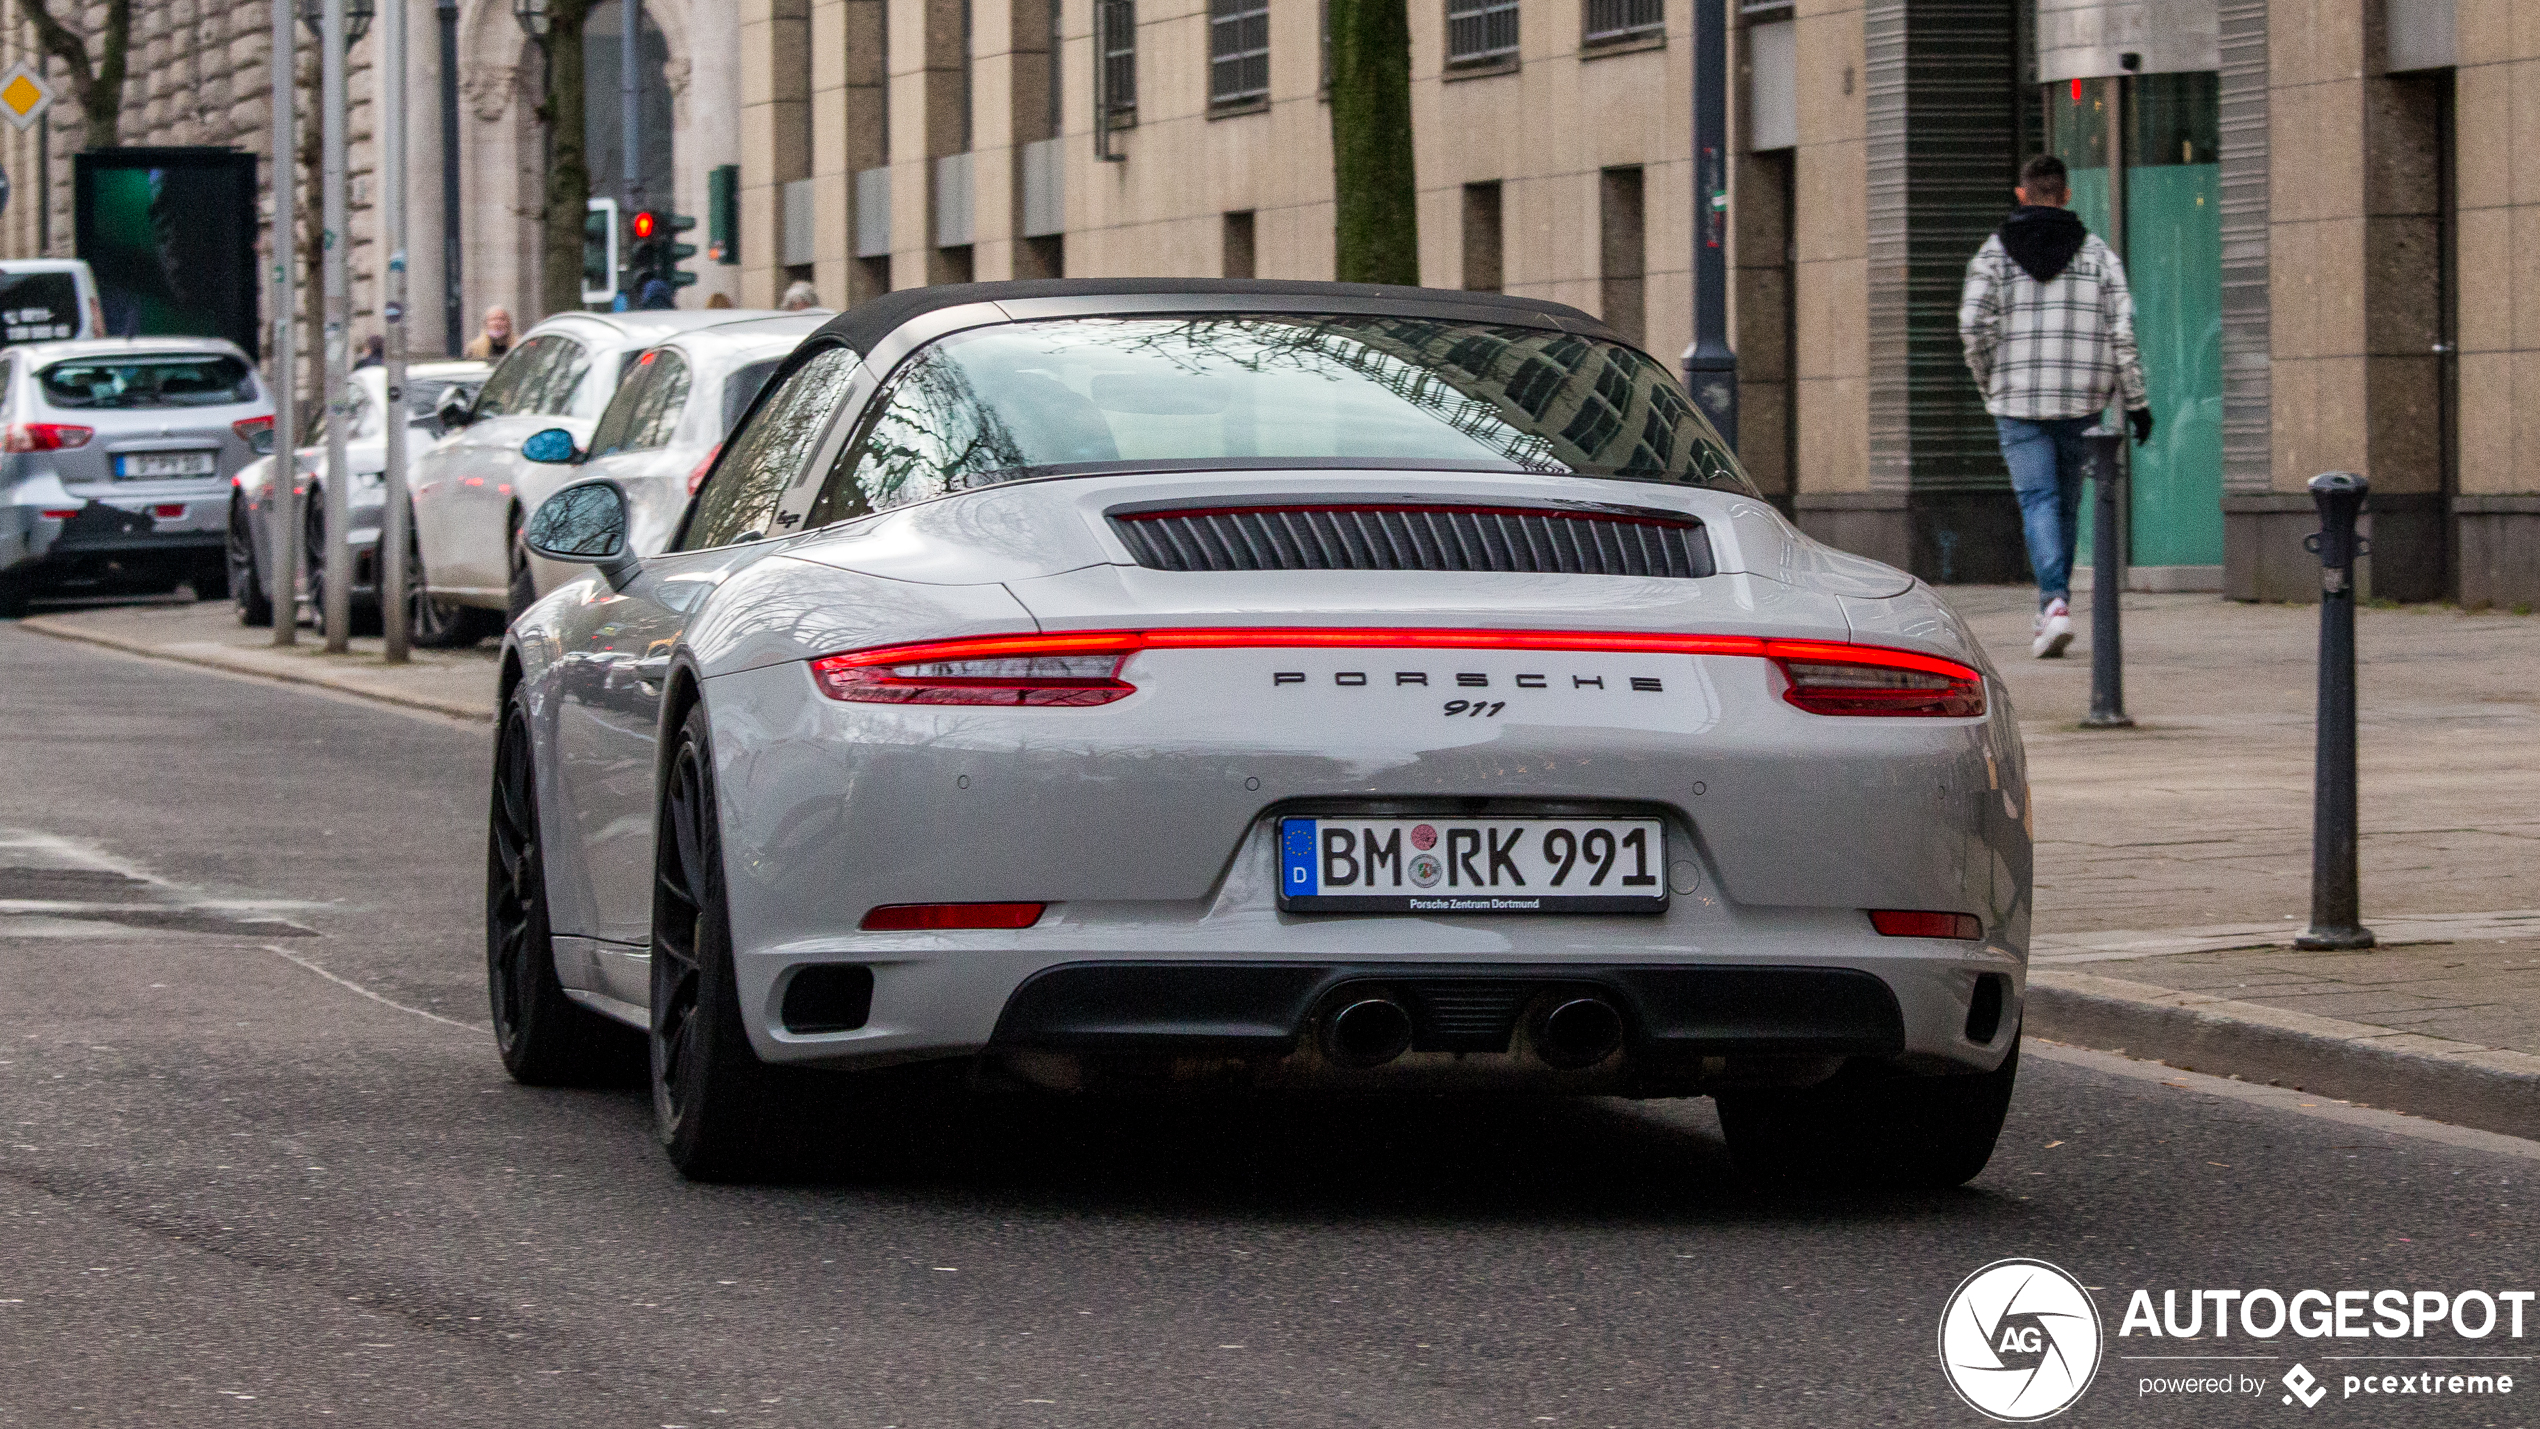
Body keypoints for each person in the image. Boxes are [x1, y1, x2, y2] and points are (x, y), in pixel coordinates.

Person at [1959, 154, 2153, 659]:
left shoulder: (1993, 255)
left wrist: (1991, 383)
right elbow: (2122, 332)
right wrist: (2136, 402)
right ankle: (2054, 603)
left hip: (2018, 399)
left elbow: (1972, 326)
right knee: (2066, 504)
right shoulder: (2097, 255)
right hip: (2083, 398)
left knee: (2037, 501)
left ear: (2021, 194)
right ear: (2066, 195)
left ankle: (2055, 604)